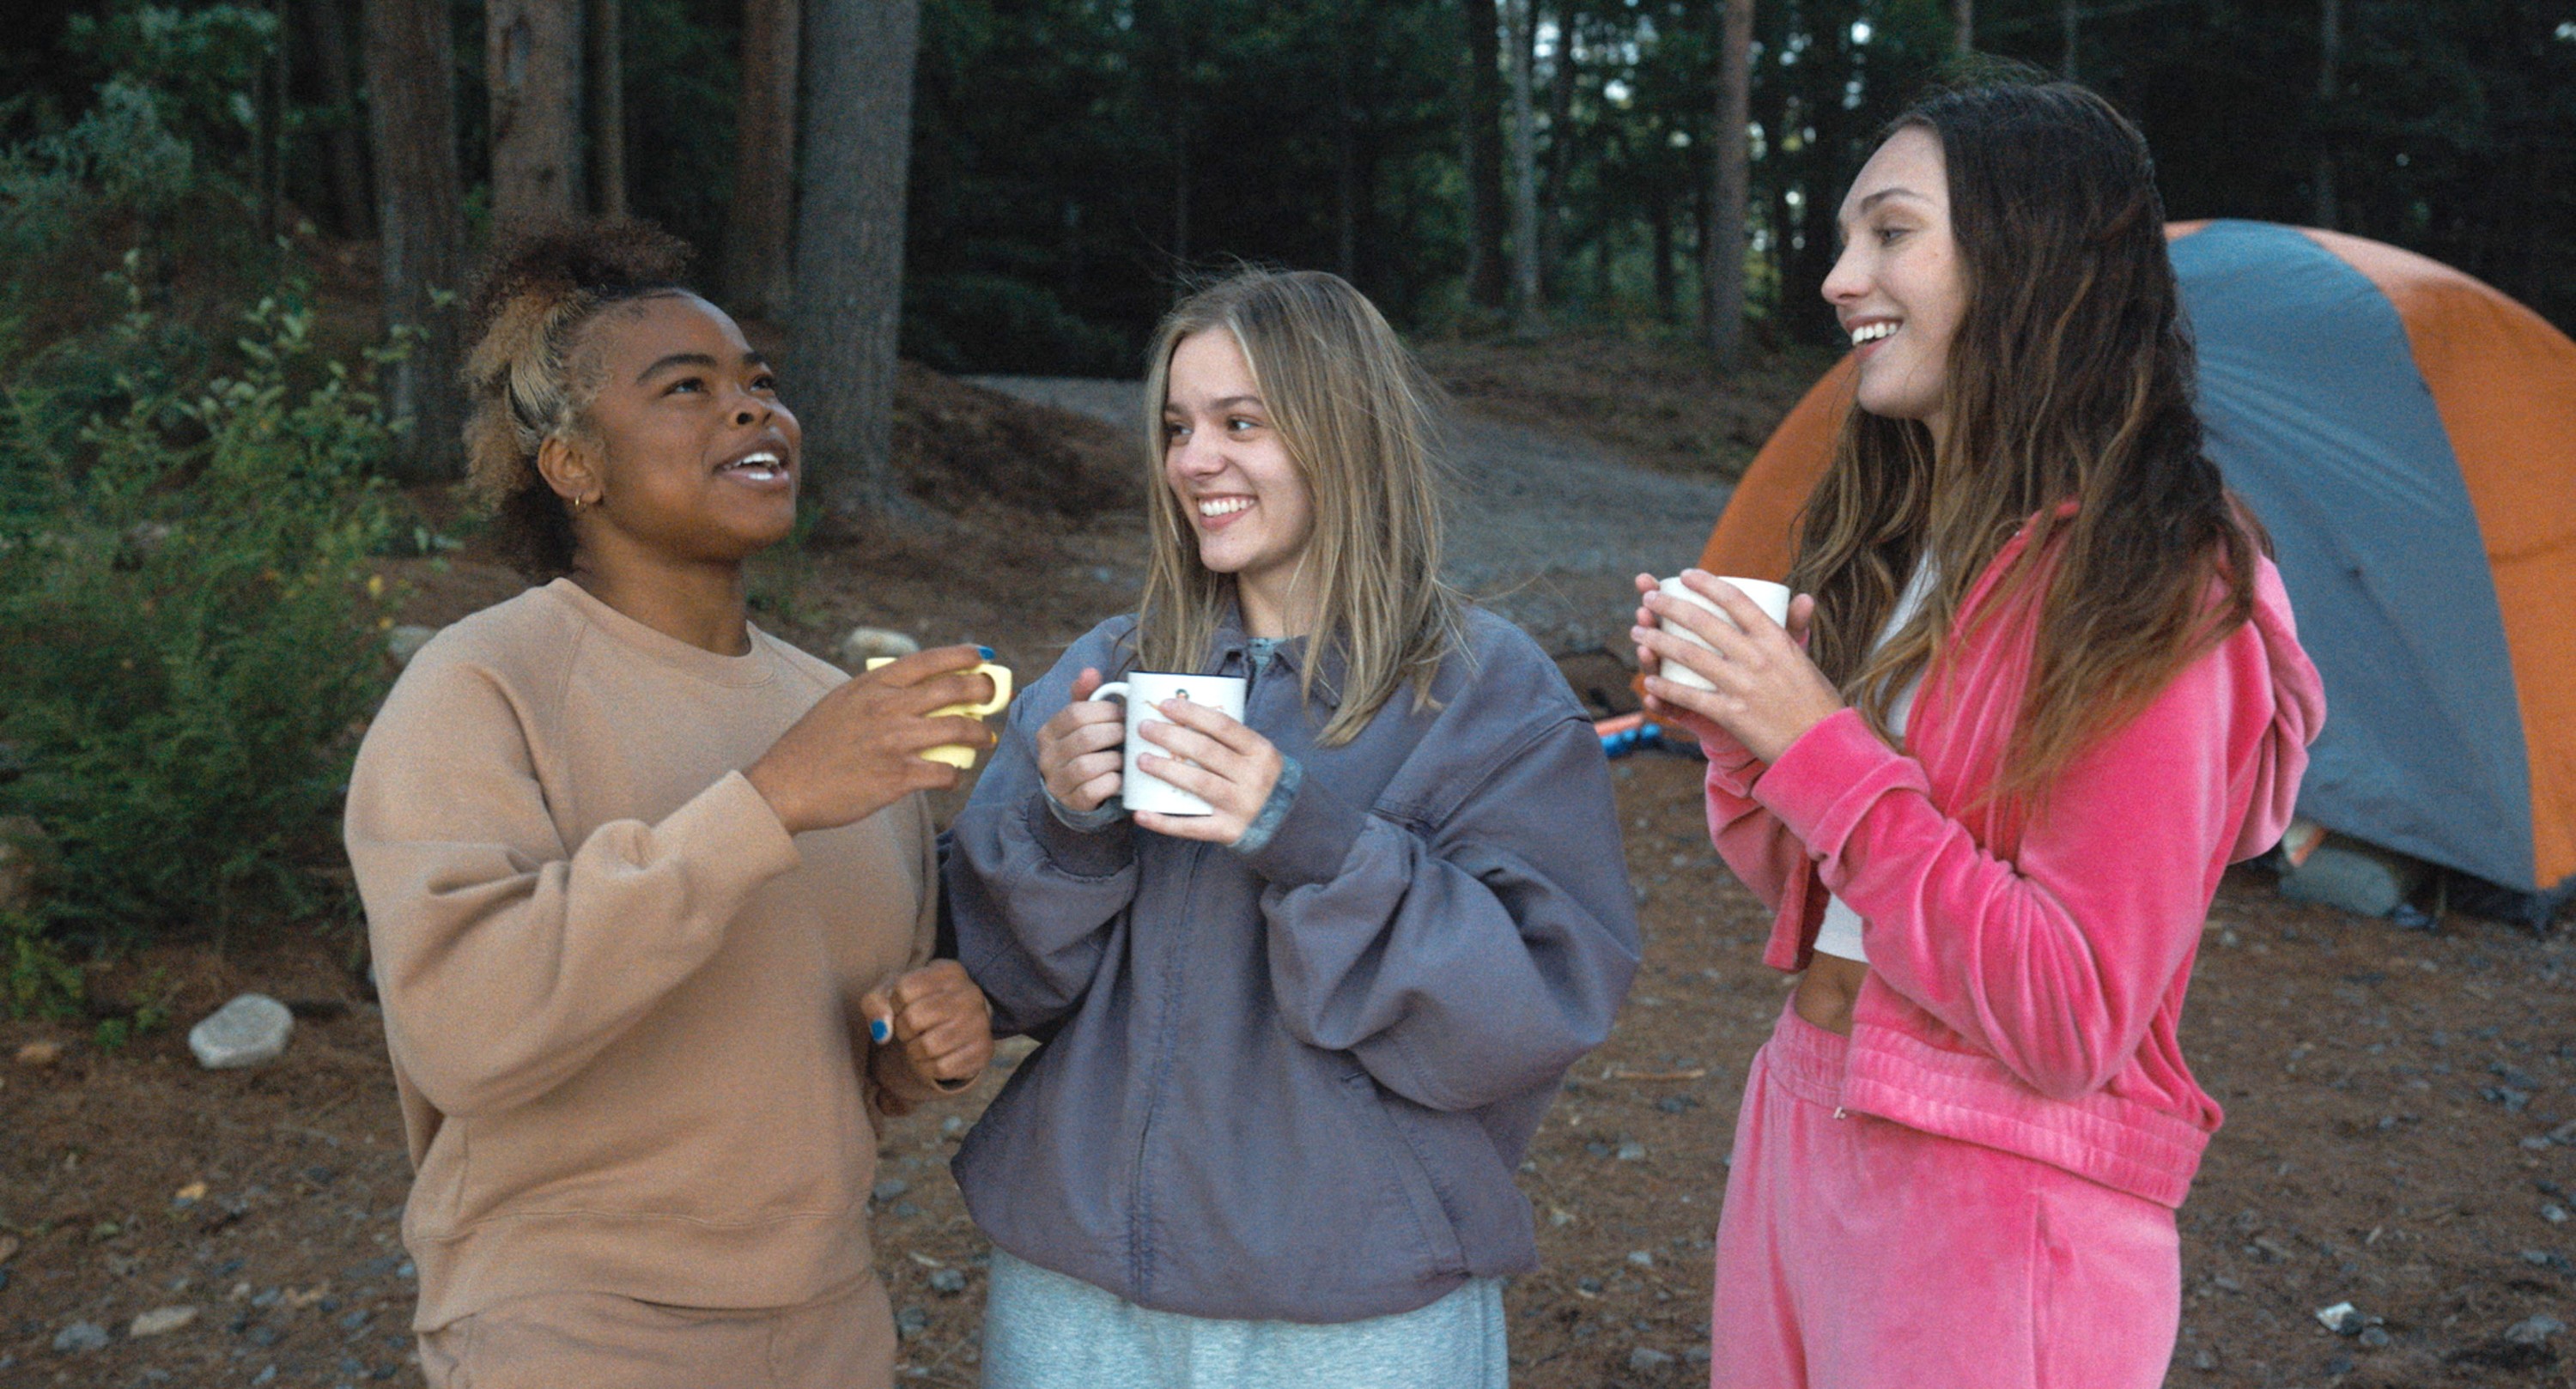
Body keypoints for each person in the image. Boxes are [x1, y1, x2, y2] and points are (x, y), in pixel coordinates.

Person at [1629, 82, 2325, 1388]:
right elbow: (1822, 888)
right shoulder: (1919, 543)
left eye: (1890, 233)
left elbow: (2070, 1013)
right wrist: (1744, 726)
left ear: (2033, 258)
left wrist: (1817, 739)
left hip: (1994, 1201)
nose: (1840, 279)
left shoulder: (2163, 590)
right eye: (1846, 238)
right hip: (1803, 1122)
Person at [944, 268, 1640, 1387]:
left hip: (1354, 1303)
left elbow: (1529, 1011)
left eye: (1240, 422)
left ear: (1343, 431)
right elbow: (988, 981)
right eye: (1177, 426)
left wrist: (1307, 835)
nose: (1193, 460)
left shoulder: (1483, 690)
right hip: (1078, 1291)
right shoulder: (1108, 669)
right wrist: (1067, 826)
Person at [343, 221, 997, 1389]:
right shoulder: (482, 681)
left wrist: (920, 1035)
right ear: (574, 466)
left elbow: (850, 1051)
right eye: (686, 388)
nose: (752, 410)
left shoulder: (831, 709)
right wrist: (771, 799)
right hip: (576, 1322)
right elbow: (464, 1030)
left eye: (759, 383)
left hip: (829, 1317)